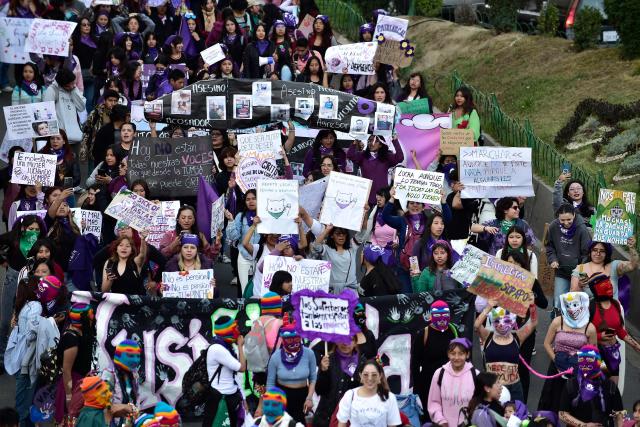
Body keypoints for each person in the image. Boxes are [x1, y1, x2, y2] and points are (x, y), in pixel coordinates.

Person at [0, 215, 46, 368]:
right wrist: (3, 261)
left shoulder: (41, 242)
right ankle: (1, 356)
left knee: (26, 320)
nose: (33, 232)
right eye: (30, 229)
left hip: (32, 281)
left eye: (37, 230)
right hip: (13, 278)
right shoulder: (14, 237)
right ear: (23, 228)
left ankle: (21, 358)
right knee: (6, 320)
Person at [539, 291, 597, 414]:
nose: (571, 309)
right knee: (552, 404)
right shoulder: (557, 322)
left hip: (578, 370)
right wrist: (557, 361)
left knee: (574, 408)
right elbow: (546, 343)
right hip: (557, 367)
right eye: (568, 305)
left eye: (575, 305)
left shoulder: (590, 328)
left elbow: (592, 353)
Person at [475, 303, 537, 403]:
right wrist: (489, 307)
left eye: (506, 320)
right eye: (497, 321)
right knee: (494, 416)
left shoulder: (518, 336)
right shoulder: (488, 336)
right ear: (493, 320)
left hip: (514, 388)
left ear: (512, 321)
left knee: (516, 417)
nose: (501, 325)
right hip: (493, 388)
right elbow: (477, 325)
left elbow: (533, 323)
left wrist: (532, 308)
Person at [588, 274, 640, 383]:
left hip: (613, 353)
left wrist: (636, 345)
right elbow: (582, 333)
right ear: (596, 288)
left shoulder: (615, 304)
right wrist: (599, 336)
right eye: (604, 284)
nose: (609, 286)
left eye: (609, 283)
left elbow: (620, 330)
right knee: (601, 383)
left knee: (613, 387)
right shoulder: (590, 307)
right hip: (597, 354)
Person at [266, 316, 317, 424]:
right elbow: (270, 382)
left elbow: (313, 378)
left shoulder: (309, 354)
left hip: (302, 396)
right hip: (281, 397)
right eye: (289, 339)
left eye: (296, 338)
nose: (293, 342)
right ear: (283, 340)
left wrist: (309, 398)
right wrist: (271, 401)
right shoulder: (276, 356)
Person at [559, 345, 624, 427]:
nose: (585, 363)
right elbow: (562, 414)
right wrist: (583, 425)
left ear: (598, 362)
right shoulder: (571, 384)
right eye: (581, 359)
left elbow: (619, 413)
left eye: (590, 359)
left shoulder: (610, 385)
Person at [412, 300, 459, 412]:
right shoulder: (423, 334)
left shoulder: (453, 331)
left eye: (445, 315)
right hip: (429, 385)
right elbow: (415, 364)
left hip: (451, 383)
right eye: (438, 316)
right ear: (432, 316)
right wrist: (417, 390)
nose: (442, 319)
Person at [55, 303, 95, 424]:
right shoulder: (71, 339)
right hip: (73, 385)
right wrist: (69, 397)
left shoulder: (83, 332)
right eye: (90, 315)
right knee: (69, 420)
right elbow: (67, 370)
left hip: (82, 383)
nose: (93, 317)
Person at [202, 315, 246, 427]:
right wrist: (240, 346)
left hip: (229, 396)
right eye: (234, 328)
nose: (238, 331)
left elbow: (233, 376)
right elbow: (242, 368)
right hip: (219, 398)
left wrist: (243, 397)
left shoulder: (226, 347)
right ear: (227, 331)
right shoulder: (218, 349)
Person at [313, 334, 365, 427]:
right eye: (342, 338)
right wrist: (324, 372)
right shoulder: (327, 360)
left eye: (350, 339)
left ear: (355, 343)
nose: (345, 343)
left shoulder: (362, 363)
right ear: (336, 341)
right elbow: (320, 390)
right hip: (325, 418)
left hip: (349, 419)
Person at [545, 203, 591, 309]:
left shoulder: (582, 229)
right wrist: (553, 259)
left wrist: (581, 271)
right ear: (558, 218)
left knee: (575, 303)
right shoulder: (553, 227)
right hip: (561, 271)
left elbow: (587, 253)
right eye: (562, 220)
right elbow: (549, 246)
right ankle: (556, 322)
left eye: (569, 219)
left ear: (574, 215)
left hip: (579, 272)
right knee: (558, 302)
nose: (566, 223)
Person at [335, 358, 401, 427]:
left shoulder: (389, 397)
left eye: (374, 375)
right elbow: (342, 424)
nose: (370, 378)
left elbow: (392, 425)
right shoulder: (350, 395)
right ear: (361, 376)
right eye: (366, 374)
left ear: (380, 376)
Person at [427, 338, 477, 427]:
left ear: (467, 354)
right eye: (453, 353)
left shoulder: (475, 375)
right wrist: (441, 420)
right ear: (448, 354)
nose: (456, 357)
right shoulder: (439, 373)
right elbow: (434, 402)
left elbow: (479, 403)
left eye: (461, 354)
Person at [571, 237, 638, 300]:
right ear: (590, 252)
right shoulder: (580, 269)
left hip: (612, 310)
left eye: (602, 251)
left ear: (607, 253)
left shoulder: (614, 266)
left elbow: (633, 266)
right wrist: (580, 286)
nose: (598, 253)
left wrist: (632, 248)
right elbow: (573, 297)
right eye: (595, 250)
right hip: (590, 311)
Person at [347, 135, 403, 207]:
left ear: (380, 145)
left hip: (382, 196)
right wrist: (356, 140)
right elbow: (350, 155)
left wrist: (395, 140)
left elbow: (400, 157)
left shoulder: (386, 157)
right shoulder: (363, 156)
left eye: (376, 141)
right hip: (366, 194)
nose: (371, 143)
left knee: (378, 217)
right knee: (365, 217)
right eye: (370, 140)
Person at [470, 197, 536, 256]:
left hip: (515, 265)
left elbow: (530, 245)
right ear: (505, 210)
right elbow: (471, 227)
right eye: (515, 208)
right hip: (495, 264)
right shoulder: (494, 223)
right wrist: (485, 228)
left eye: (518, 207)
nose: (518, 210)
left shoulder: (523, 225)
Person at [311, 224, 363, 295]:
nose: (341, 235)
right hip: (333, 293)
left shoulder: (352, 247)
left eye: (344, 233)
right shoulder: (326, 249)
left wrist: (365, 216)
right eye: (338, 233)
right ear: (332, 235)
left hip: (351, 293)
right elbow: (315, 246)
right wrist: (327, 230)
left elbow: (363, 232)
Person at [100, 339, 141, 426]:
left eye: (138, 356)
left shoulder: (134, 374)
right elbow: (103, 405)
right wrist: (123, 407)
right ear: (119, 355)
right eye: (130, 355)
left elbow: (135, 398)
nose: (136, 360)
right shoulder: (109, 374)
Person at [43, 68, 86, 144]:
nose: (71, 86)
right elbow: (47, 114)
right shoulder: (52, 90)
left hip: (76, 137)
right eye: (67, 86)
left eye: (73, 83)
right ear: (60, 84)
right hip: (60, 139)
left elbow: (81, 107)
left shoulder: (74, 89)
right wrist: (55, 135)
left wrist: (74, 91)